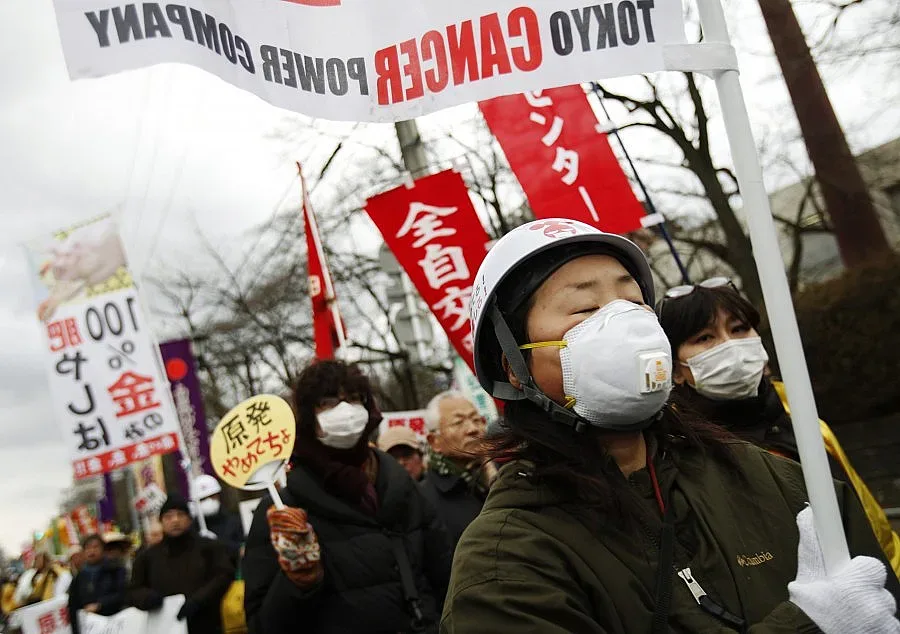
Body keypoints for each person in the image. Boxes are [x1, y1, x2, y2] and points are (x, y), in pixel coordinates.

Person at [441, 218, 900, 632]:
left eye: (635, 303)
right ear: (514, 366)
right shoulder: (506, 562)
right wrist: (810, 626)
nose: (625, 323)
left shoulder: (774, 479)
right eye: (584, 309)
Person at [656, 277, 900, 577]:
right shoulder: (681, 455)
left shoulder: (799, 415)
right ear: (677, 371)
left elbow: (872, 523)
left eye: (738, 329)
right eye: (705, 338)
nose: (730, 346)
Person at [243, 359, 453, 634]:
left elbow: (447, 581)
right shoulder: (282, 511)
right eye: (328, 403)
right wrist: (299, 581)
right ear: (308, 418)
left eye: (353, 399)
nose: (345, 410)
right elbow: (262, 625)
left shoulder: (405, 488)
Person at [129, 493, 234, 634]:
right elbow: (133, 590)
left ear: (189, 519)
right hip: (166, 626)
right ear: (161, 521)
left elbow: (224, 575)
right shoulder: (148, 557)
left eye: (180, 515)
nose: (175, 520)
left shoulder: (209, 547)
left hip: (207, 622)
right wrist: (147, 598)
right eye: (169, 516)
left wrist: (198, 600)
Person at [419, 391, 495, 550]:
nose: (473, 429)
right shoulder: (422, 500)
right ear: (434, 442)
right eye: (458, 422)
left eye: (476, 419)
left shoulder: (504, 474)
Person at [67, 534, 127, 634]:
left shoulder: (115, 569)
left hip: (116, 624)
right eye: (88, 548)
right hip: (90, 627)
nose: (92, 551)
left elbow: (123, 594)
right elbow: (73, 607)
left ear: (103, 549)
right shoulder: (79, 577)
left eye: (95, 547)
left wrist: (100, 605)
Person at [192, 474, 245, 562]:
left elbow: (243, 550)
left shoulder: (234, 522)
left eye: (212, 496)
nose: (209, 501)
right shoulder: (192, 528)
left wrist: (217, 543)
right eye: (203, 499)